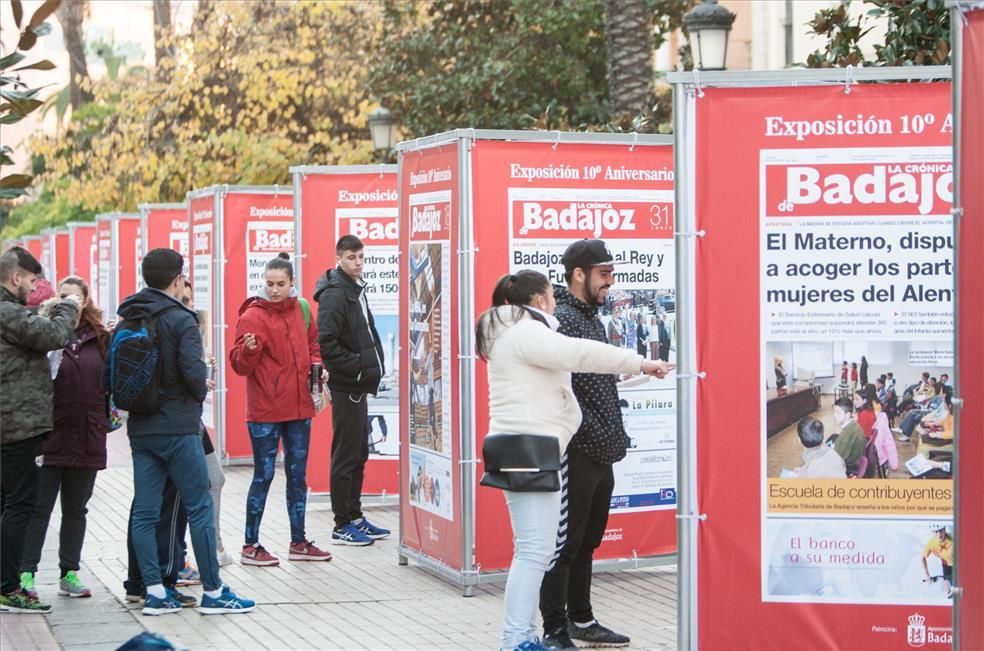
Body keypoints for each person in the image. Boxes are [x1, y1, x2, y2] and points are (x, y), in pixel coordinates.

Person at [476, 270, 671, 651]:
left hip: (524, 447)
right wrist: (641, 363)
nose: (555, 303)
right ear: (538, 302)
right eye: (550, 296)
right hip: (529, 448)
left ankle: (520, 636)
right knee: (535, 550)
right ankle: (516, 639)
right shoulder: (527, 333)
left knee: (534, 548)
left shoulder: (514, 332)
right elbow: (580, 353)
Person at [116, 248, 254, 615]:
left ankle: (156, 593)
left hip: (141, 430)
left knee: (145, 513)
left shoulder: (128, 316)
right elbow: (194, 375)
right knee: (199, 507)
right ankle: (213, 591)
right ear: (177, 279)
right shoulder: (182, 319)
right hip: (179, 429)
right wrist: (198, 390)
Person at [539, 239, 656, 650]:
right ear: (578, 274)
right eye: (604, 274)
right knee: (566, 542)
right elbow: (562, 391)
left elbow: (595, 383)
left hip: (601, 449)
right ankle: (554, 628)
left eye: (612, 273)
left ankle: (582, 619)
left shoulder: (591, 319)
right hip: (578, 449)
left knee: (587, 540)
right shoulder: (565, 321)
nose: (611, 282)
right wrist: (592, 431)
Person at [230, 253, 331, 565]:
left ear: (292, 283)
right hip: (265, 411)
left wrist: (317, 367)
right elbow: (238, 366)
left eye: (280, 284)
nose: (274, 290)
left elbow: (314, 345)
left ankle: (298, 542)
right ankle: (250, 544)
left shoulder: (301, 309)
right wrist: (248, 351)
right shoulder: (252, 317)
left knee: (297, 476)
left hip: (299, 408)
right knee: (263, 476)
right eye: (270, 284)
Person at [19, 277, 109, 601]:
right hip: (50, 436)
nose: (68, 301)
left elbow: (109, 385)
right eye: (63, 296)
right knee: (38, 509)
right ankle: (25, 574)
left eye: (75, 296)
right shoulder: (46, 333)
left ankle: (69, 572)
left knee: (76, 509)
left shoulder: (101, 338)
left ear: (86, 301)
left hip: (87, 435)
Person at [0, 247, 79, 614]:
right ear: (16, 277)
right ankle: (8, 587)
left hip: (12, 423)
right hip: (16, 425)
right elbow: (54, 335)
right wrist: (68, 305)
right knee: (20, 505)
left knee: (8, 503)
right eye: (31, 282)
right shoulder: (6, 311)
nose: (33, 290)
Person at [314, 236, 390, 546]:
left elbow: (365, 334)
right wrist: (358, 367)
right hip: (348, 387)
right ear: (338, 259)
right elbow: (327, 343)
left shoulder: (355, 289)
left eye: (360, 257)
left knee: (358, 452)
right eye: (351, 258)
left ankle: (355, 515)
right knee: (346, 454)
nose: (357, 263)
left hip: (359, 386)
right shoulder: (335, 295)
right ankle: (341, 523)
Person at [830, 397, 865, 475]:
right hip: (852, 458)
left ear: (848, 414)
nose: (834, 415)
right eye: (834, 412)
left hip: (848, 465)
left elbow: (836, 460)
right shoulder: (853, 425)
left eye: (838, 413)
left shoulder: (847, 435)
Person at [921, 524, 953, 598]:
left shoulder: (952, 538)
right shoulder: (930, 543)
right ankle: (949, 594)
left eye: (941, 531)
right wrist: (927, 574)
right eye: (936, 532)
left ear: (944, 530)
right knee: (946, 578)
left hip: (958, 563)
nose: (939, 534)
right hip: (946, 563)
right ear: (933, 532)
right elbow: (922, 558)